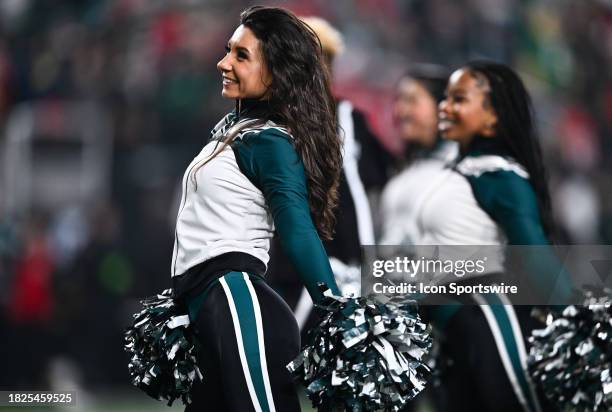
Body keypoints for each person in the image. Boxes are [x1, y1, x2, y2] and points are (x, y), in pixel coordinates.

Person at [169, 6, 342, 411]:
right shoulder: (236, 131)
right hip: (210, 309)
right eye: (229, 50)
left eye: (241, 55)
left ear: (276, 73)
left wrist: (335, 310)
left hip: (237, 302)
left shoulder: (270, 141)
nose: (223, 62)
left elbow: (297, 228)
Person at [267, 16, 393, 334]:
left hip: (335, 268)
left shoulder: (347, 119)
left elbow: (363, 195)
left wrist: (366, 268)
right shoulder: (265, 121)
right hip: (275, 268)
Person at [379, 64, 455, 246]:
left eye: (411, 101)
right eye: (399, 100)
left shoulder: (465, 169)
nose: (400, 111)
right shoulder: (405, 167)